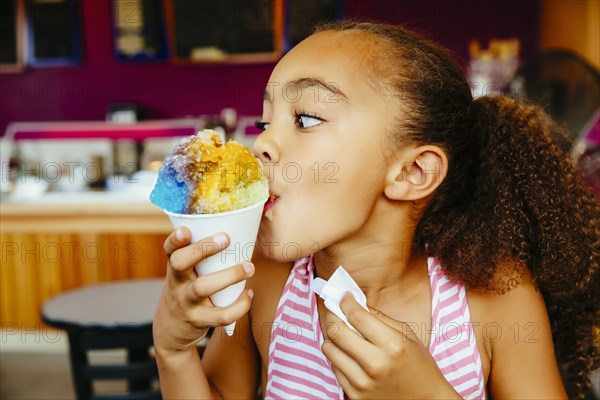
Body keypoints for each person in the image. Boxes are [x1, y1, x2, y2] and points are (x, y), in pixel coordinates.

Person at [153, 21, 599, 399]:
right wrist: (173, 351)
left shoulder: (499, 298)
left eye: (305, 119)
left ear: (413, 172)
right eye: (265, 122)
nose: (261, 144)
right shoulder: (265, 280)